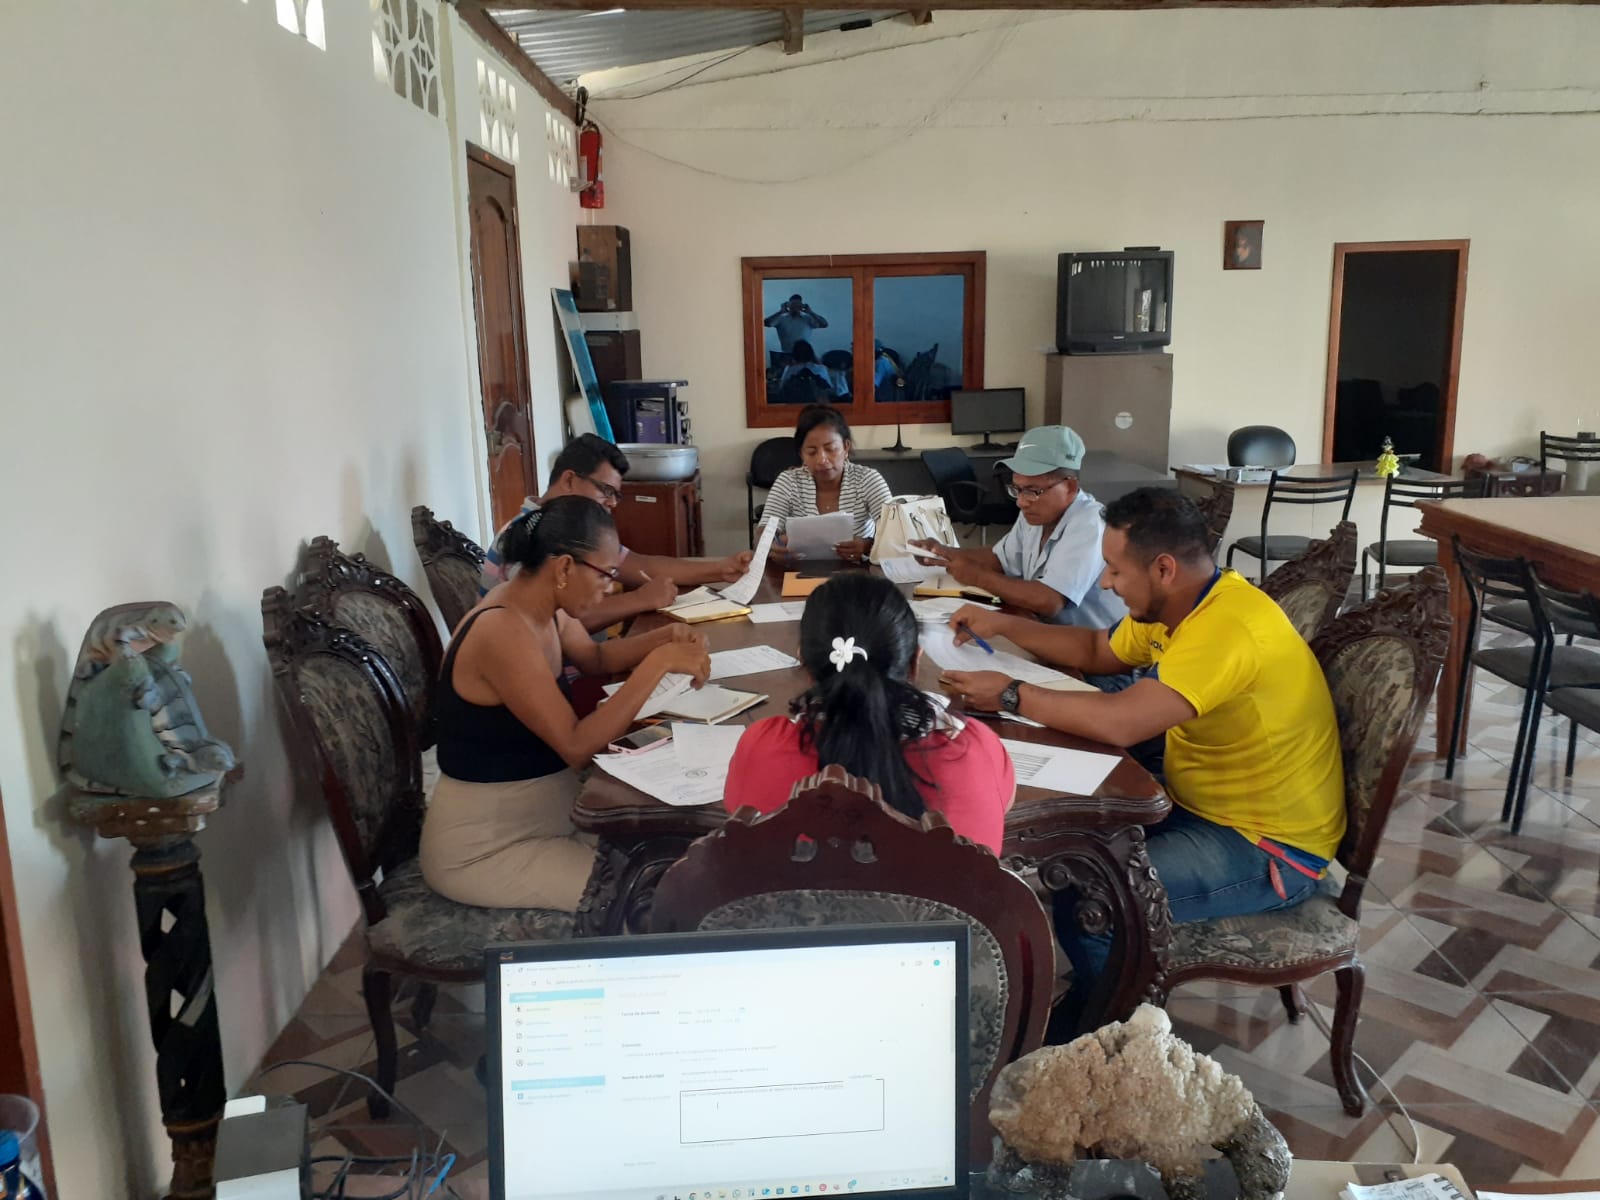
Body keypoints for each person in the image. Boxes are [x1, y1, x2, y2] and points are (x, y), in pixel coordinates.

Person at [936, 487, 1345, 994]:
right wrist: (1002, 623)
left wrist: (1010, 694)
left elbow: (1122, 722)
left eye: (1115, 570)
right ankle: (1103, 990)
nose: (1106, 583)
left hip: (1266, 846)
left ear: (1164, 569)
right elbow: (1097, 648)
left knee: (1094, 897)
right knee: (1077, 854)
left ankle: (1114, 1026)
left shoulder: (1227, 628)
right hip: (1200, 806)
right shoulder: (1183, 605)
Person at [423, 496, 712, 912]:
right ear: (563, 568)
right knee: (653, 901)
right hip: (489, 846)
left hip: (553, 813)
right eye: (605, 574)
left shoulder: (541, 607)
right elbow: (576, 746)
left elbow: (596, 658)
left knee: (679, 855)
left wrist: (666, 638)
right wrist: (659, 663)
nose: (610, 586)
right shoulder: (502, 630)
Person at [722, 574, 1015, 853]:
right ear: (914, 662)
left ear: (807, 665)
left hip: (791, 893)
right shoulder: (974, 750)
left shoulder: (762, 747)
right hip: (942, 892)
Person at [910, 425, 1129, 674]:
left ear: (1069, 487)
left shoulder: (1089, 523)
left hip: (1099, 664)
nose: (1022, 502)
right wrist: (945, 553)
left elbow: (1049, 601)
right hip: (1046, 637)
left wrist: (976, 576)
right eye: (1017, 489)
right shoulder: (1035, 513)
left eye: (1033, 491)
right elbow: (1000, 558)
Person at [478, 434, 753, 630]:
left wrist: (721, 568)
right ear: (569, 479)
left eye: (616, 495)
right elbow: (566, 621)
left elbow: (642, 565)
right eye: (605, 490)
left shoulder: (575, 528)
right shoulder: (529, 534)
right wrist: (641, 599)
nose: (612, 503)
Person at [761, 405, 893, 566]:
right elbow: (763, 532)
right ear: (801, 454)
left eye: (830, 449)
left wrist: (867, 546)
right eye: (811, 452)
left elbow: (895, 532)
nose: (822, 460)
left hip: (858, 572)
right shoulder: (788, 481)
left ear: (846, 447)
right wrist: (771, 546)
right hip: (798, 572)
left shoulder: (867, 479)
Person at [764, 293, 828, 354]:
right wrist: (780, 312)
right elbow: (765, 323)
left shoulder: (808, 318)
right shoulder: (781, 318)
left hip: (805, 355)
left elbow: (824, 324)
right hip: (787, 354)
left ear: (801, 306)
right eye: (793, 304)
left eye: (798, 304)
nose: (795, 307)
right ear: (788, 305)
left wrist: (811, 312)